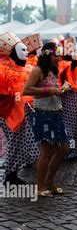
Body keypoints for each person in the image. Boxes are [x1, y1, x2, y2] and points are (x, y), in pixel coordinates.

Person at [23, 42, 70, 197]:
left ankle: (49, 181)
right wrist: (49, 90)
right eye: (56, 55)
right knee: (47, 151)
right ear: (48, 55)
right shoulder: (37, 70)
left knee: (64, 148)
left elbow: (55, 91)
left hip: (57, 113)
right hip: (43, 115)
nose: (59, 58)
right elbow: (27, 90)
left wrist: (62, 90)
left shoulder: (52, 71)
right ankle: (40, 186)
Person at [0, 32, 40, 186]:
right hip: (10, 113)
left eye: (26, 50)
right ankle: (10, 176)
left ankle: (12, 174)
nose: (26, 52)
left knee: (20, 143)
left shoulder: (30, 68)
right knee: (16, 143)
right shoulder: (3, 70)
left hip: (27, 111)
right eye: (21, 50)